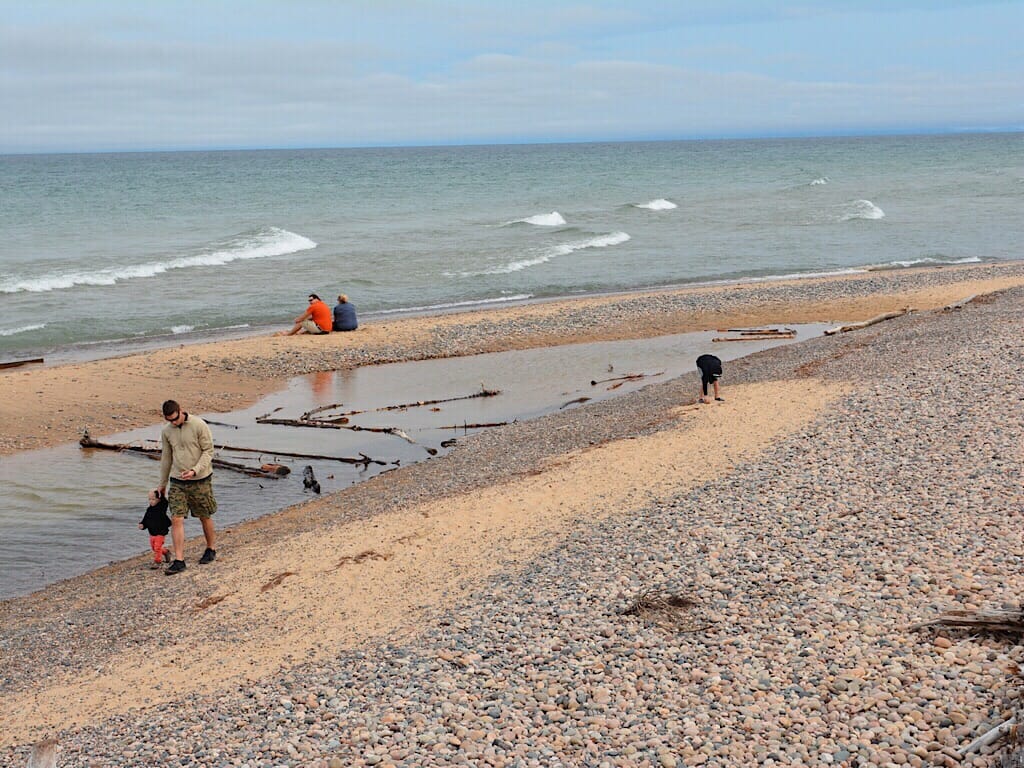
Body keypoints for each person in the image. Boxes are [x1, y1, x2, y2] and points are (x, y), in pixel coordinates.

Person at [157, 399, 218, 574]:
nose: (173, 423)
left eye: (175, 419)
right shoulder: (167, 432)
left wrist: (195, 470)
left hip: (200, 479)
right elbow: (166, 458)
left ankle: (210, 548)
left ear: (180, 411)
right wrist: (162, 484)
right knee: (176, 517)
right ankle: (179, 560)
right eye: (169, 420)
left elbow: (208, 451)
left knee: (204, 515)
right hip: (177, 481)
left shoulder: (199, 425)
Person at [139, 489, 171, 569]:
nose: (151, 501)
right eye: (149, 499)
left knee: (157, 547)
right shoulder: (149, 509)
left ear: (158, 499)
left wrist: (161, 493)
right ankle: (166, 552)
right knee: (154, 547)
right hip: (152, 532)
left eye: (153, 499)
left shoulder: (161, 507)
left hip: (161, 531)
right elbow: (146, 519)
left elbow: (165, 501)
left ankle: (157, 562)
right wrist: (142, 524)